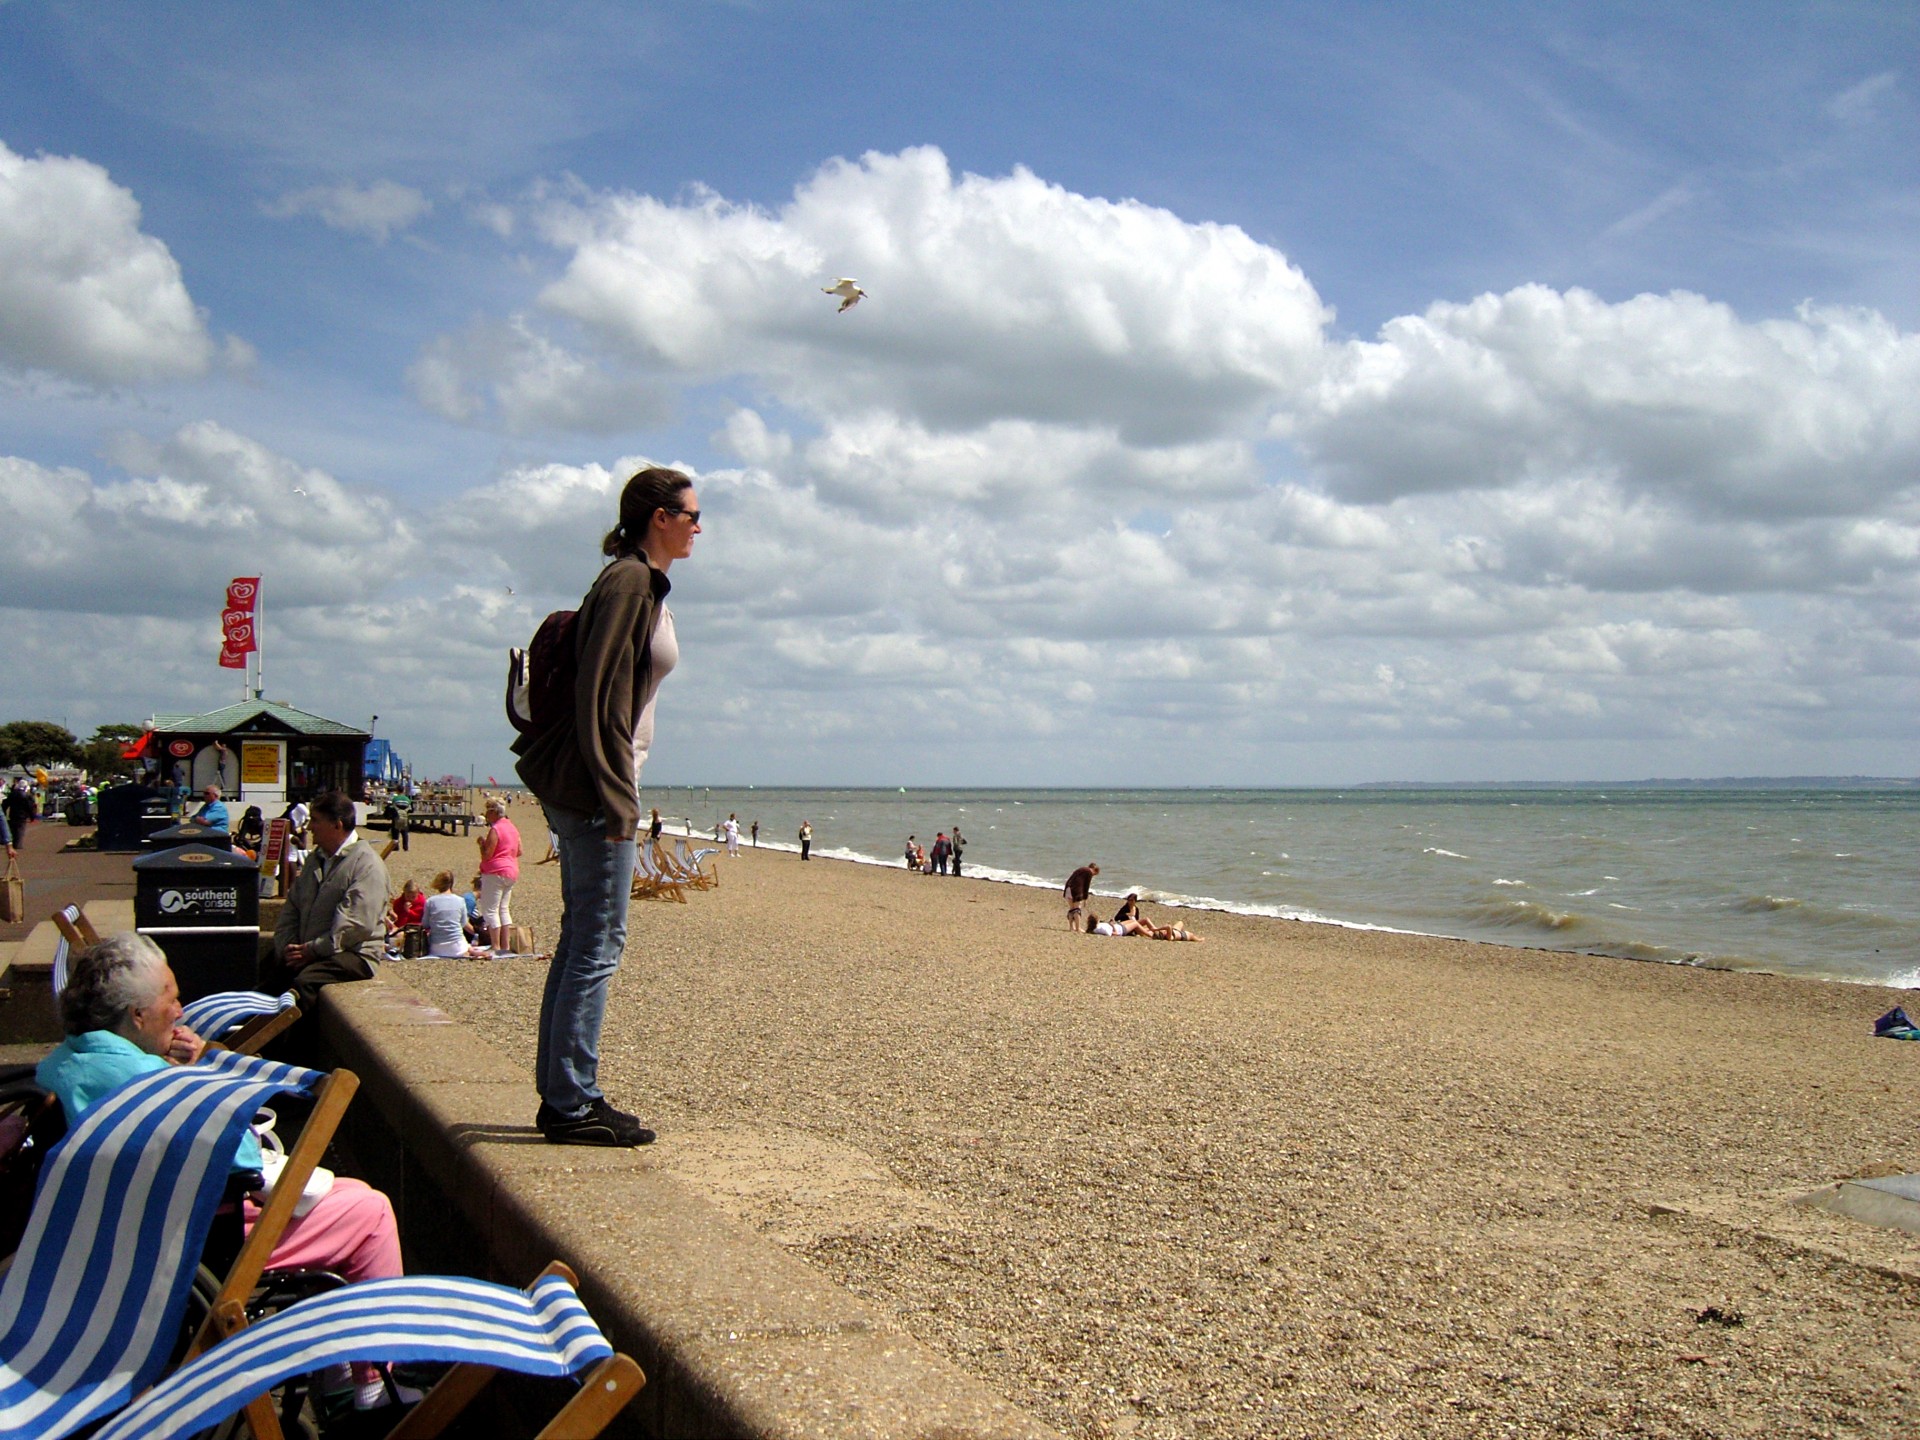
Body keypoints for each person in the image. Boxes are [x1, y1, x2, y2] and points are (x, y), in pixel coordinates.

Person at [38, 933, 414, 1412]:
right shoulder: (146, 1083)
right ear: (137, 1015)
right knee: (371, 1211)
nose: (180, 1011)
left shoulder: (70, 1065)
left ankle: (338, 1365)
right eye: (171, 999)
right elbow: (242, 1161)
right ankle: (376, 1386)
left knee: (349, 1193)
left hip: (119, 1238)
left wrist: (170, 1066)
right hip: (191, 1242)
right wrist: (199, 1077)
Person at [512, 466, 698, 1148]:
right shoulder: (630, 581)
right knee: (597, 942)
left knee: (584, 939)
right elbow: (599, 695)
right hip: (598, 790)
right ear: (660, 517)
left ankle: (567, 1093)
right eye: (691, 515)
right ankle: (570, 1102)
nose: (698, 527)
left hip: (594, 785)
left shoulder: (636, 581)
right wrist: (618, 795)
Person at [266, 790, 389, 1008]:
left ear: (337, 825)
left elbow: (354, 926)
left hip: (354, 954)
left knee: (304, 984)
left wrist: (312, 950)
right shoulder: (317, 858)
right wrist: (288, 946)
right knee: (269, 971)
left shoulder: (366, 865)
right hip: (309, 948)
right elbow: (292, 907)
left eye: (315, 820)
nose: (309, 827)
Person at [477, 797, 521, 946]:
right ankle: (505, 944)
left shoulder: (495, 829)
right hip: (511, 870)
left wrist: (482, 844)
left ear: (494, 812)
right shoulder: (512, 827)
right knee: (503, 908)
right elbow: (519, 851)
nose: (486, 815)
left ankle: (495, 945)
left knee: (490, 909)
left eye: (488, 812)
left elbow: (487, 854)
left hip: (495, 871)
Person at [422, 871, 477, 958]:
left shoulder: (430, 901)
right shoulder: (460, 900)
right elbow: (463, 923)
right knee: (468, 946)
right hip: (457, 946)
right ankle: (473, 952)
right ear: (452, 884)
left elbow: (425, 924)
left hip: (436, 948)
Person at [1064, 862, 1100, 932]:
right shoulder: (1089, 872)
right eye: (1094, 874)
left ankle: (1071, 927)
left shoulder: (1081, 870)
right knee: (1077, 910)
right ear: (1094, 870)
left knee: (1071, 909)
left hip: (1068, 888)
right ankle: (1078, 928)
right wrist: (1085, 898)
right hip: (1075, 890)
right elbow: (1086, 886)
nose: (1093, 876)